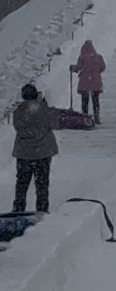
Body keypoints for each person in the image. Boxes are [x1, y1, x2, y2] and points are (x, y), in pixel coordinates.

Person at [12, 84, 58, 213]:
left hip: (23, 153)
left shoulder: (19, 111)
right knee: (42, 183)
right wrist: (43, 103)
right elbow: (54, 122)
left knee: (22, 183)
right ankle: (42, 209)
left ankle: (18, 208)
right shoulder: (43, 110)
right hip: (42, 153)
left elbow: (18, 127)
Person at [70, 40, 106, 124]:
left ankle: (85, 117)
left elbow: (78, 67)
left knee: (85, 100)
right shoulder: (98, 57)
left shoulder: (82, 58)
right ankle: (96, 117)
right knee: (95, 100)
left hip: (85, 82)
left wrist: (73, 68)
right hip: (96, 83)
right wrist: (96, 73)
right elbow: (103, 67)